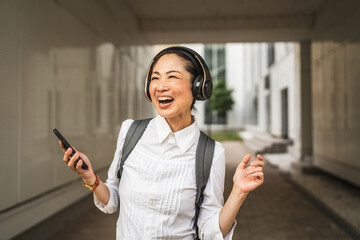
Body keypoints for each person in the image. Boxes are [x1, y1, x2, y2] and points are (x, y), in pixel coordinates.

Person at [59, 46, 264, 239]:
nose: (160, 86)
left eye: (172, 77)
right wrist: (89, 177)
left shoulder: (212, 152)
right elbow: (112, 202)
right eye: (155, 78)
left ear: (198, 87)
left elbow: (208, 232)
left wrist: (238, 192)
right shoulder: (130, 131)